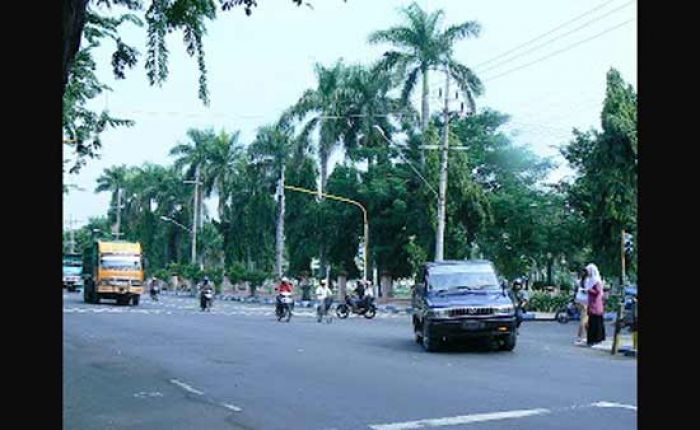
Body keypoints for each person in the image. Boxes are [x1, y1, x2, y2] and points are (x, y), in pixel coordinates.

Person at [584, 263, 606, 346]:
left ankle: (597, 338)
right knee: (592, 322)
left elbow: (598, 292)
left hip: (596, 303)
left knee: (596, 322)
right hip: (591, 303)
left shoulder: (596, 281)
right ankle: (592, 339)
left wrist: (589, 290)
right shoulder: (590, 280)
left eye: (588, 271)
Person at [574, 268, 590, 345]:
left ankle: (586, 336)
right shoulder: (587, 281)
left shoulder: (580, 281)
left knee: (585, 319)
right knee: (584, 320)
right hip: (585, 302)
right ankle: (581, 337)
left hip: (579, 300)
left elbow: (576, 290)